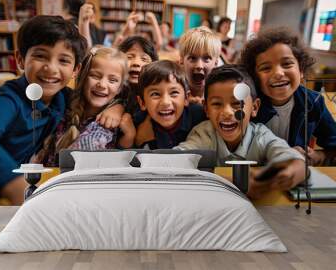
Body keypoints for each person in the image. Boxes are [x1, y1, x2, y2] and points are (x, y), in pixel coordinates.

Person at [0, 16, 87, 204]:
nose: (51, 68)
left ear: (76, 70)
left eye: (63, 60)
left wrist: (115, 109)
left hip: (38, 180)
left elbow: (99, 101)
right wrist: (12, 182)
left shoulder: (64, 96)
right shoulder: (9, 98)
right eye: (40, 56)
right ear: (21, 60)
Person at [175, 65, 305, 198]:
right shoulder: (204, 135)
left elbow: (298, 165)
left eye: (238, 104)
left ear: (254, 107)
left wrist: (286, 175)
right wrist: (234, 184)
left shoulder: (261, 136)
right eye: (217, 104)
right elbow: (173, 163)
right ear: (206, 109)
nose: (226, 112)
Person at [241, 28, 336, 166]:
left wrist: (317, 156)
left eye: (286, 64)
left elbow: (333, 144)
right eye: (266, 68)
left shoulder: (313, 101)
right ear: (254, 77)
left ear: (301, 70)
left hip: (293, 176)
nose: (279, 73)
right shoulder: (247, 104)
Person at [33, 46, 135, 166]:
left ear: (120, 88)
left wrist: (128, 132)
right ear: (82, 77)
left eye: (112, 80)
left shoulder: (117, 120)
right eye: (95, 76)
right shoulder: (63, 103)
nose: (102, 84)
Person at [134, 60, 206, 149]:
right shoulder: (138, 122)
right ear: (142, 103)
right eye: (155, 94)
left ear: (186, 98)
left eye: (174, 93)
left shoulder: (200, 116)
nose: (165, 102)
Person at [178, 26, 222, 104]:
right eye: (192, 58)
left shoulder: (221, 96)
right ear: (181, 60)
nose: (199, 66)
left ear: (216, 63)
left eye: (206, 58)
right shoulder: (173, 95)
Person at [118, 36, 159, 115]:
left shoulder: (155, 95)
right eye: (129, 57)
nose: (136, 63)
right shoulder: (112, 92)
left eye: (144, 59)